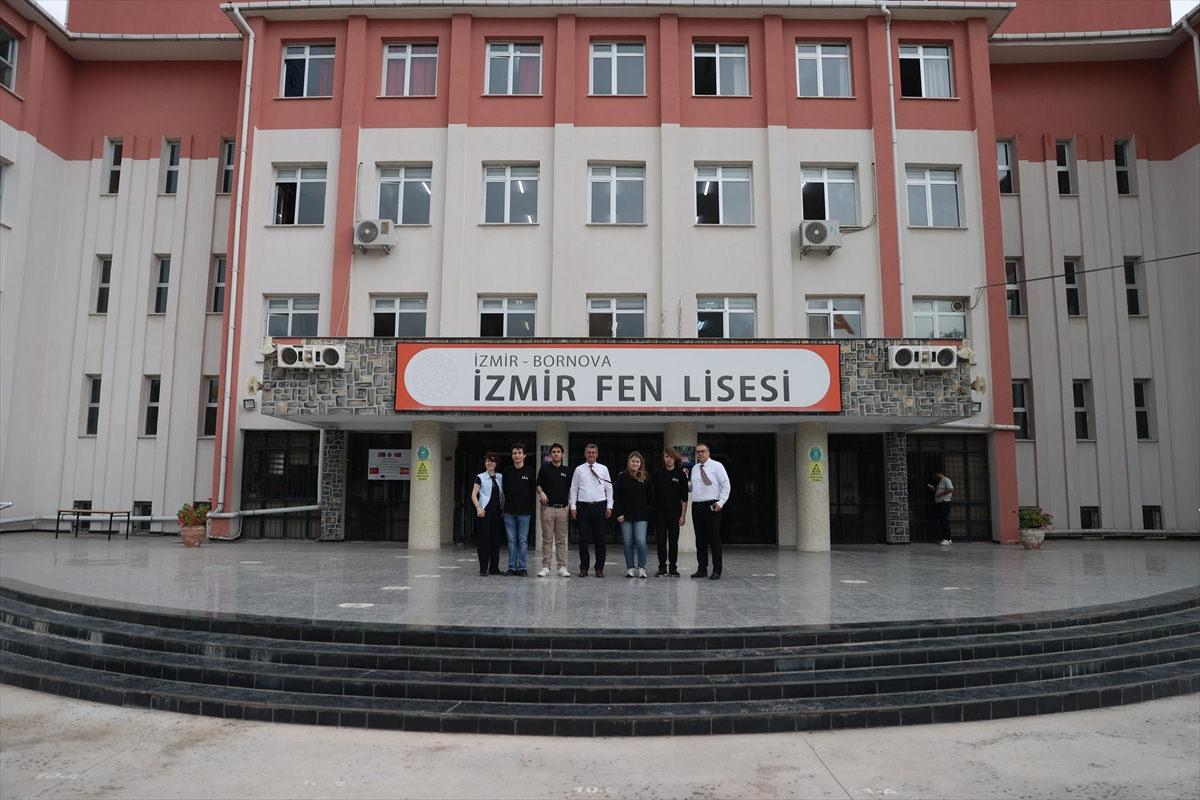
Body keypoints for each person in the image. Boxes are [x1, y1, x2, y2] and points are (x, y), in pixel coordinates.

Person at [568, 443, 612, 577]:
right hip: (583, 507)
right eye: (588, 452)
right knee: (583, 539)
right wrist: (573, 506)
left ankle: (599, 568)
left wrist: (609, 506)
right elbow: (573, 489)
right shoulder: (579, 469)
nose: (591, 455)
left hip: (600, 506)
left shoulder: (603, 469)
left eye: (593, 453)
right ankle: (584, 568)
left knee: (600, 540)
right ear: (585, 454)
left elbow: (609, 488)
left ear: (597, 454)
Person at [689, 442, 730, 580]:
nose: (700, 454)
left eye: (703, 451)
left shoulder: (717, 466)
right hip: (697, 506)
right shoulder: (695, 468)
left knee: (714, 539)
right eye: (698, 452)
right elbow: (693, 487)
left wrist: (721, 502)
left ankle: (717, 570)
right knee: (700, 539)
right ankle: (702, 569)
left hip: (712, 505)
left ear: (708, 452)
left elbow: (726, 485)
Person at [614, 451, 654, 579]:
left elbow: (650, 496)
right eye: (633, 461)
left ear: (641, 463)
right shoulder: (622, 477)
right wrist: (619, 513)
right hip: (625, 516)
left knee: (641, 541)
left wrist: (647, 509)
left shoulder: (645, 477)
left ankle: (641, 568)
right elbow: (617, 497)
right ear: (629, 462)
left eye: (637, 462)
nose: (635, 464)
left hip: (641, 516)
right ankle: (630, 568)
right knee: (627, 542)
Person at [650, 448, 689, 577]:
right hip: (659, 515)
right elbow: (647, 488)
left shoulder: (681, 474)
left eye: (671, 456)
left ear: (675, 458)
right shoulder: (657, 474)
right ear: (663, 459)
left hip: (675, 515)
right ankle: (662, 567)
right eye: (666, 456)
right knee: (661, 542)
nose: (669, 459)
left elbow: (684, 498)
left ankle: (673, 568)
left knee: (673, 542)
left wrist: (683, 515)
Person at [535, 443, 572, 578]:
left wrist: (569, 505)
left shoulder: (567, 470)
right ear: (550, 455)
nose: (556, 454)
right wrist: (541, 493)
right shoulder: (544, 468)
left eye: (558, 452)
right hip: (547, 509)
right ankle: (546, 567)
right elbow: (538, 485)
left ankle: (562, 567)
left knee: (561, 540)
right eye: (553, 452)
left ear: (562, 454)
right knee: (547, 539)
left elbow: (571, 489)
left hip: (562, 509)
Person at [500, 443, 535, 576]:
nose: (517, 455)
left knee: (523, 541)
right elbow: (504, 490)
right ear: (512, 456)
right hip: (509, 512)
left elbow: (532, 490)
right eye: (514, 453)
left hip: (525, 512)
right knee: (511, 541)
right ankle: (512, 567)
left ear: (524, 455)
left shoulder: (530, 471)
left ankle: (522, 568)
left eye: (520, 453)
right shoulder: (507, 471)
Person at [470, 454, 504, 576]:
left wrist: (503, 509)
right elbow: (473, 494)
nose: (490, 463)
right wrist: (478, 507)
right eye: (488, 461)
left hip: (497, 512)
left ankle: (494, 568)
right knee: (484, 541)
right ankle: (483, 568)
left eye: (492, 461)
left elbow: (503, 495)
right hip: (484, 512)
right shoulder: (480, 477)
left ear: (496, 463)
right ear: (485, 463)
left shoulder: (500, 477)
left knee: (495, 540)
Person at [927, 470, 955, 545]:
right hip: (941, 502)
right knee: (943, 520)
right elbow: (940, 491)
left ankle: (947, 539)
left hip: (944, 502)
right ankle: (948, 539)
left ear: (940, 473)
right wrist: (934, 489)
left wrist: (940, 494)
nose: (935, 476)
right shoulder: (941, 481)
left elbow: (951, 489)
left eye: (936, 474)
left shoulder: (946, 479)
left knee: (944, 520)